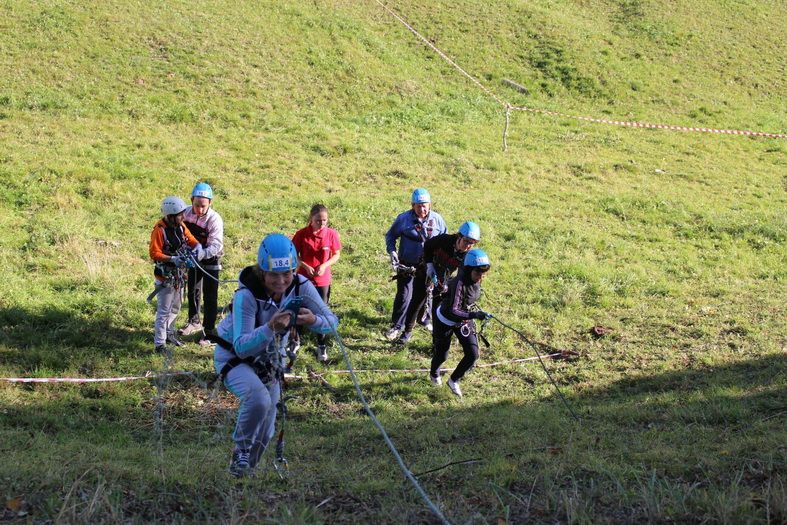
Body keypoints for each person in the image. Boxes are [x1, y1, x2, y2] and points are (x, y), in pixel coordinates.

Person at [213, 233, 338, 477]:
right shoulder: (246, 296)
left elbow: (333, 322)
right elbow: (241, 346)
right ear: (262, 272)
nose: (281, 281)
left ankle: (245, 475)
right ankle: (240, 453)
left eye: (287, 273)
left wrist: (314, 321)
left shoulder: (301, 285)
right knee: (258, 399)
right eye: (273, 275)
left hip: (270, 361)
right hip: (234, 358)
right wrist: (270, 328)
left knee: (267, 432)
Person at [384, 188, 446, 345]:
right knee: (405, 294)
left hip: (428, 265)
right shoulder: (404, 219)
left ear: (430, 204)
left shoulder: (437, 220)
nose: (422, 209)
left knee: (428, 292)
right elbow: (391, 235)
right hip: (407, 263)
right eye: (418, 206)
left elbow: (445, 240)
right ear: (412, 205)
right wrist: (392, 252)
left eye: (425, 205)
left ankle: (424, 319)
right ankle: (397, 325)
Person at [429, 248, 493, 398]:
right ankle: (434, 373)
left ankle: (453, 380)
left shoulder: (476, 279)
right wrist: (474, 314)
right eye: (478, 273)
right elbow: (454, 310)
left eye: (484, 273)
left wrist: (473, 313)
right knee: (442, 355)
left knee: (473, 354)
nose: (481, 277)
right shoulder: (459, 283)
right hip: (445, 320)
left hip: (463, 319)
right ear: (469, 269)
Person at [149, 196, 205, 354]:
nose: (184, 217)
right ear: (171, 216)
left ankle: (168, 334)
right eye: (180, 214)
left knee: (175, 307)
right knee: (164, 310)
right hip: (166, 278)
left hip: (179, 277)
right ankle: (159, 344)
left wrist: (198, 247)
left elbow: (191, 239)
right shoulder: (159, 231)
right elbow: (154, 253)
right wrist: (172, 258)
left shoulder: (180, 226)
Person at [291, 204, 342, 362]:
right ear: (311, 219)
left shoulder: (331, 234)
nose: (322, 224)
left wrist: (324, 265)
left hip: (322, 280)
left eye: (325, 220)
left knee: (321, 312)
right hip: (303, 279)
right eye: (318, 220)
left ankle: (321, 345)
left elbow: (336, 254)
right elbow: (293, 254)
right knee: (299, 309)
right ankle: (295, 340)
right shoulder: (301, 234)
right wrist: (304, 265)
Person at [179, 182, 225, 345]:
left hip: (211, 258)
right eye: (196, 205)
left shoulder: (214, 219)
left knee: (210, 294)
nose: (199, 209)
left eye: (203, 206)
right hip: (192, 257)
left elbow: (216, 244)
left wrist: (201, 254)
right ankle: (194, 321)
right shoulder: (184, 213)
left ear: (210, 203)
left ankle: (209, 330)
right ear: (191, 200)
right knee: (192, 289)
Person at [423, 221, 481, 322]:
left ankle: (433, 325)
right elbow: (428, 245)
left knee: (438, 308)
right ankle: (407, 330)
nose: (467, 246)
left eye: (471, 243)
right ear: (459, 236)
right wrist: (429, 264)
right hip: (428, 272)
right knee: (417, 300)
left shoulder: (467, 257)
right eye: (466, 241)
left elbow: (462, 276)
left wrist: (449, 286)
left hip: (444, 281)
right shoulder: (445, 240)